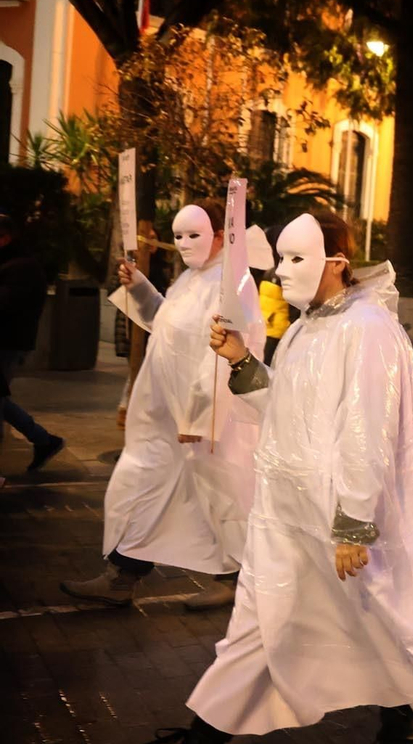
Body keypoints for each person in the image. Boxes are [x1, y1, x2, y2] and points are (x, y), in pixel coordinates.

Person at [96, 211, 413, 744]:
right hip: (288, 516)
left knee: (368, 621)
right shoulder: (312, 327)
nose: (282, 271)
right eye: (280, 258)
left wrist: (353, 524)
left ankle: (388, 737)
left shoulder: (368, 328)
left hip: (330, 522)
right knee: (264, 633)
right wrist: (241, 362)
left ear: (337, 260)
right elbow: (286, 410)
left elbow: (367, 432)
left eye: (296, 258)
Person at [63, 202, 263, 612]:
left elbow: (230, 349)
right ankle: (123, 574)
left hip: (207, 424)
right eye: (179, 236)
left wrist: (201, 412)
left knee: (219, 494)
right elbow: (168, 324)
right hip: (165, 416)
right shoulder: (191, 278)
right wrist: (139, 287)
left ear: (220, 236)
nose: (186, 243)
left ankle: (235, 578)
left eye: (195, 234)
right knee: (145, 485)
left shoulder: (233, 284)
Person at [0, 212, 65, 472]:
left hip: (7, 343)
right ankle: (43, 439)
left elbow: (6, 305)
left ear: (4, 238)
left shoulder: (21, 267)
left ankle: (43, 440)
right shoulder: (11, 263)